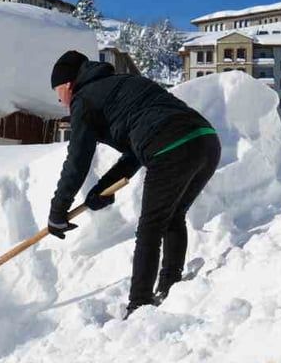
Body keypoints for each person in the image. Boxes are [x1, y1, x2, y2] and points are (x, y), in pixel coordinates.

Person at [45, 50, 221, 318]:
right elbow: (138, 150)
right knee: (172, 216)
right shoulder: (125, 84)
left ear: (68, 84)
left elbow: (77, 160)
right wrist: (102, 189)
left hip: (171, 145)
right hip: (205, 139)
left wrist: (58, 210)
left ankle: (139, 304)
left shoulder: (84, 99)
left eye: (57, 91)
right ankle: (169, 285)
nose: (60, 100)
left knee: (151, 226)